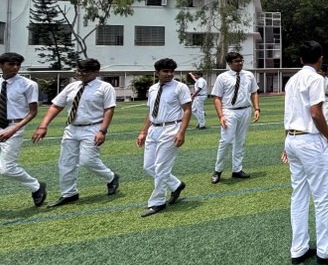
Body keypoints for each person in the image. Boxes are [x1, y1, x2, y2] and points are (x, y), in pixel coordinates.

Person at [283, 41, 328, 265]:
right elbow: (315, 113)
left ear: (301, 59)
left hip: (292, 138)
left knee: (299, 194)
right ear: (320, 58)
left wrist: (287, 143)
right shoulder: (315, 79)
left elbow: (290, 113)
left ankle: (299, 248)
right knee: (323, 197)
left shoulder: (292, 80)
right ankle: (326, 249)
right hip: (310, 140)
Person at [32, 58, 120, 207]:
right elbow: (56, 106)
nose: (80, 74)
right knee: (66, 162)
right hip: (72, 128)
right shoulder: (72, 86)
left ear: (95, 72)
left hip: (93, 128)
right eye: (78, 71)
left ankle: (111, 177)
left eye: (84, 71)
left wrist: (102, 131)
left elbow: (109, 109)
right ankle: (69, 193)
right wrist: (43, 125)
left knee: (88, 160)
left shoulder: (105, 87)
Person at [136, 58, 191, 217]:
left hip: (171, 128)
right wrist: (143, 131)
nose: (169, 74)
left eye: (171, 71)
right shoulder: (153, 89)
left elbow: (187, 110)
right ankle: (176, 185)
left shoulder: (180, 88)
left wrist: (181, 132)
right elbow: (150, 111)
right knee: (149, 166)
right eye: (165, 71)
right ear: (157, 73)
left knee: (161, 167)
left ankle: (157, 202)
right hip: (154, 129)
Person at [0, 52, 47, 208]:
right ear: (2, 65)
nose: (15, 67)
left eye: (17, 64)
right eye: (11, 64)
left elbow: (33, 112)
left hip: (14, 126)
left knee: (7, 169)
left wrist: (13, 129)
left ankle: (36, 186)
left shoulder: (28, 84)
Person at [210, 52, 260, 183]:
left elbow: (254, 92)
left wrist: (257, 109)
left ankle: (237, 169)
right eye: (237, 61)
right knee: (225, 141)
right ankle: (218, 170)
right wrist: (221, 115)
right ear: (229, 63)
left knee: (240, 141)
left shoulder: (249, 75)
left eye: (241, 60)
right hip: (229, 111)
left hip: (245, 110)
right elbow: (217, 97)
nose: (240, 63)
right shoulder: (222, 77)